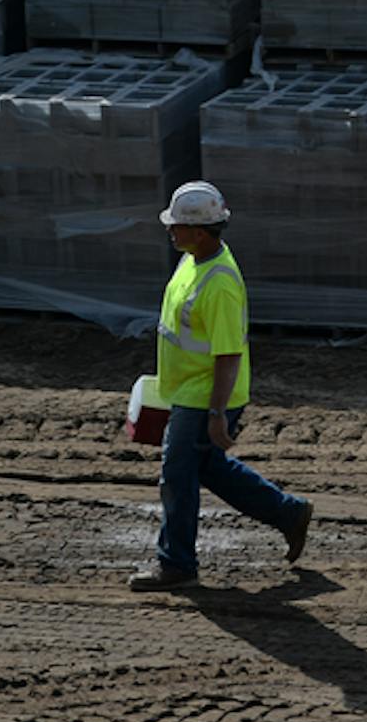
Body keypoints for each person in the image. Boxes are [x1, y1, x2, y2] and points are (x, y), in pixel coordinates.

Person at [128, 181, 312, 593]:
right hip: (186, 390)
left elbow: (229, 355)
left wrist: (215, 415)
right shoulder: (193, 261)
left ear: (200, 231)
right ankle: (289, 514)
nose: (170, 231)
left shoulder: (220, 283)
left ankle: (176, 564)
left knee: (177, 476)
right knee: (208, 468)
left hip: (205, 395)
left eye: (176, 226)